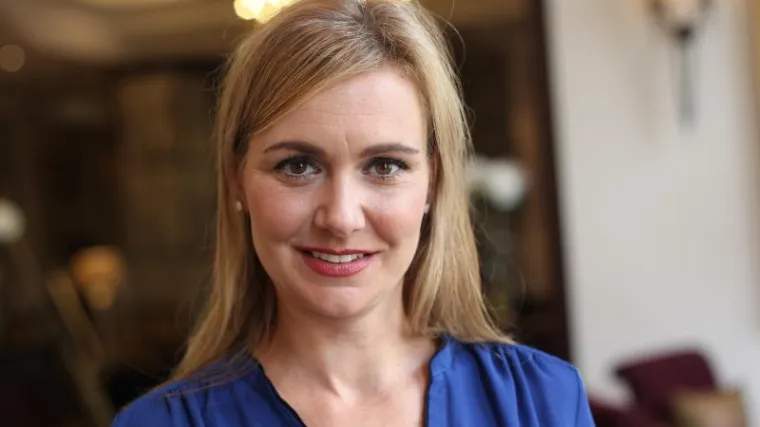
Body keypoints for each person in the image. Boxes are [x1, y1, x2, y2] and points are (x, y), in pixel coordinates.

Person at [112, 0, 595, 425]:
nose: (341, 218)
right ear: (237, 179)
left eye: (385, 166)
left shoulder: (542, 401)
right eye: (298, 165)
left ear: (434, 182)